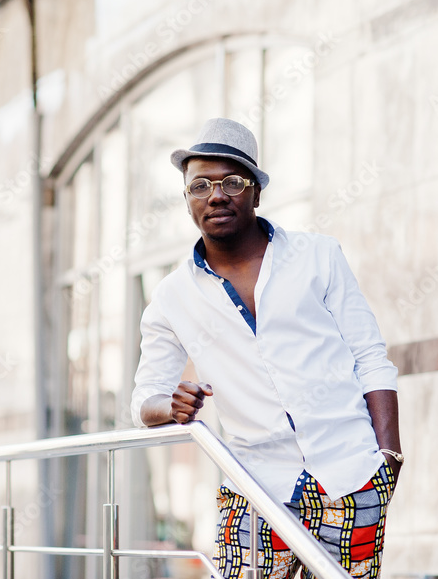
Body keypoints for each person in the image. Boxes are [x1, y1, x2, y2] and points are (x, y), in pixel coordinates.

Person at [130, 117, 401, 579]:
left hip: (351, 474)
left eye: (231, 182)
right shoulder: (172, 296)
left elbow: (371, 357)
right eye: (200, 185)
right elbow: (144, 401)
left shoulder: (319, 256)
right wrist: (171, 405)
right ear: (187, 200)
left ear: (256, 190)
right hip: (253, 484)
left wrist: (389, 459)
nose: (215, 195)